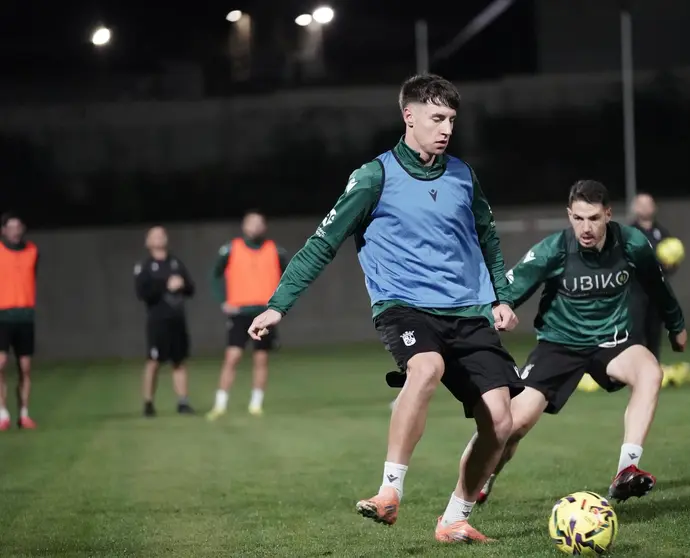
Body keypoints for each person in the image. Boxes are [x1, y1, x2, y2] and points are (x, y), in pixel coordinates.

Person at [247, 73, 523, 543]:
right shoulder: (375, 176)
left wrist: (500, 295)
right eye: (437, 118)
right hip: (405, 307)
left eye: (452, 119)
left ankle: (455, 517)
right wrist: (279, 306)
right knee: (426, 367)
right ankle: (389, 490)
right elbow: (322, 243)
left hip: (467, 311)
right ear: (408, 116)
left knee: (500, 421)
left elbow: (488, 238)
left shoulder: (463, 175)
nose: (446, 128)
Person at [469, 180, 687, 506]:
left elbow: (657, 287)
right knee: (516, 424)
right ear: (569, 215)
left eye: (594, 218)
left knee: (651, 372)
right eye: (579, 218)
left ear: (609, 214)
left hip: (613, 341)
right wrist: (499, 310)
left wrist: (676, 325)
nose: (586, 227)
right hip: (559, 344)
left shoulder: (632, 243)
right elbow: (508, 292)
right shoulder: (553, 249)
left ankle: (626, 469)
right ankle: (484, 475)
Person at [207, 210, 288, 420]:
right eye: (251, 223)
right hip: (240, 312)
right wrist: (223, 300)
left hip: (264, 313)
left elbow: (289, 277)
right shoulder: (230, 249)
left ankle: (256, 404)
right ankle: (220, 404)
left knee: (261, 359)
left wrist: (280, 304)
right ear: (244, 226)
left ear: (265, 227)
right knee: (232, 357)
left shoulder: (275, 251)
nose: (255, 227)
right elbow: (215, 275)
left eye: (259, 223)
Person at [133, 226, 196, 417]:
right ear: (148, 242)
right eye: (155, 235)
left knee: (179, 361)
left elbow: (191, 289)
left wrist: (182, 285)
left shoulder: (176, 263)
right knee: (154, 361)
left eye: (162, 234)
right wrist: (164, 285)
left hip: (177, 319)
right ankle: (148, 402)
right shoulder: (144, 266)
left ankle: (183, 402)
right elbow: (142, 293)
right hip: (157, 321)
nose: (160, 238)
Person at [0, 212, 38, 430]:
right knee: (1, 364)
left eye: (18, 226)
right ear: (4, 230)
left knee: (25, 367)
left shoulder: (33, 251)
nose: (15, 230)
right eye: (10, 227)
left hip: (25, 316)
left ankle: (24, 414)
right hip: (2, 315)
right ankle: (3, 413)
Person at [630, 192, 677, 360]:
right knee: (635, 336)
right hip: (635, 293)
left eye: (648, 203)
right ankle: (635, 374)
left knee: (654, 335)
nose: (644, 207)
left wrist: (670, 265)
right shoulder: (628, 233)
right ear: (635, 208)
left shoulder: (662, 233)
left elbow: (673, 261)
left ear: (654, 207)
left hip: (656, 292)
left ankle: (652, 374)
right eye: (640, 204)